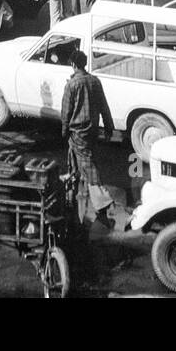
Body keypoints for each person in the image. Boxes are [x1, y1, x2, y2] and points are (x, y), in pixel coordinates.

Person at [60, 51, 116, 226]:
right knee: (81, 163)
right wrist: (109, 127)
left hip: (77, 133)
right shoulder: (95, 82)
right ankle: (77, 198)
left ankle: (102, 202)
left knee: (88, 165)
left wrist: (64, 131)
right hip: (91, 131)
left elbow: (66, 113)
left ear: (73, 65)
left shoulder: (71, 85)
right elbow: (104, 106)